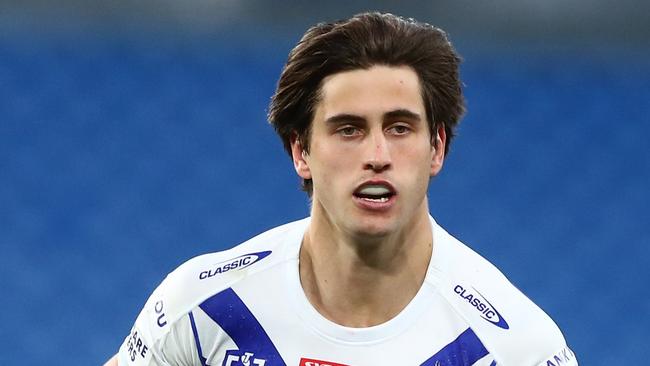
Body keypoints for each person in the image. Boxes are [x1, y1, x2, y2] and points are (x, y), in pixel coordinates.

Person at [106, 12, 577, 366]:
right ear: (301, 151)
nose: (377, 154)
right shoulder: (203, 309)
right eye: (348, 129)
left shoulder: (516, 348)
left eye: (399, 128)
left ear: (437, 148)